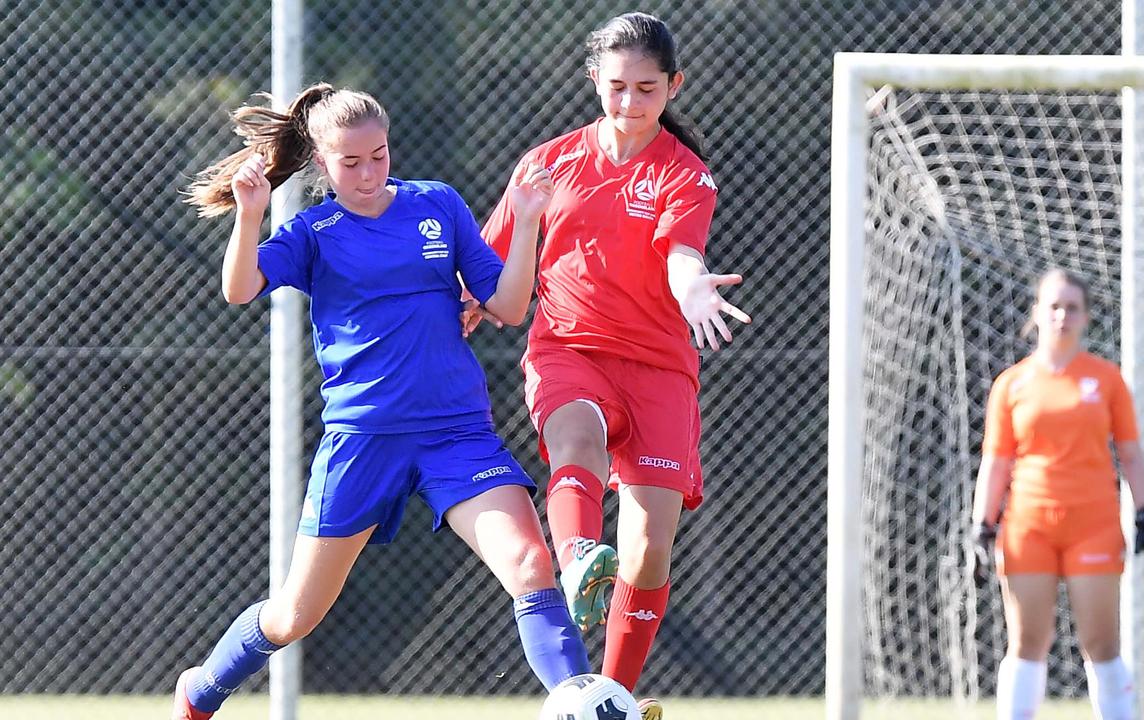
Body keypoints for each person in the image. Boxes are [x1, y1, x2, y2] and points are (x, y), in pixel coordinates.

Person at [170, 83, 588, 720]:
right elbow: (240, 287)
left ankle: (579, 701)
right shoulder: (314, 231)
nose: (369, 173)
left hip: (456, 433)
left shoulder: (436, 204)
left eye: (380, 156)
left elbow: (505, 305)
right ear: (319, 163)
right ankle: (200, 692)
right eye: (350, 162)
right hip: (364, 441)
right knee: (293, 616)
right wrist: (251, 213)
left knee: (531, 563)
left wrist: (528, 222)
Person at [478, 12, 750, 720]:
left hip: (659, 370)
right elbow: (491, 259)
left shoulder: (686, 175)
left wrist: (691, 286)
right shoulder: (546, 163)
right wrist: (465, 302)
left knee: (651, 551)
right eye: (618, 86)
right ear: (594, 78)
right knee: (575, 440)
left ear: (673, 87)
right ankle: (576, 558)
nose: (630, 103)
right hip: (569, 348)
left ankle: (615, 699)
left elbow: (681, 252)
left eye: (647, 89)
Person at [970, 268, 1144, 720]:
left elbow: (1131, 454)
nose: (1061, 316)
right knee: (1027, 643)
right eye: (1053, 306)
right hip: (1028, 527)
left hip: (1093, 525)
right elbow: (996, 462)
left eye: (1072, 308)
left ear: (1086, 317)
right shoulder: (1011, 384)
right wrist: (983, 523)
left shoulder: (1106, 379)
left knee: (1101, 644)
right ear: (1036, 313)